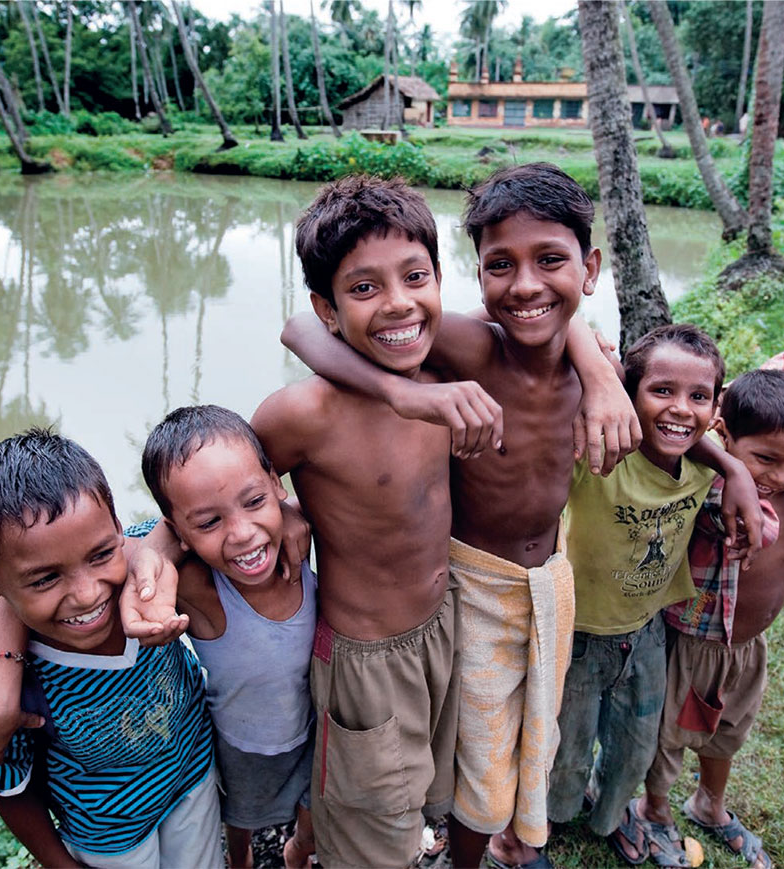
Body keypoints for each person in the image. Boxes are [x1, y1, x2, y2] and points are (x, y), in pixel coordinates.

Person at [280, 162, 641, 869]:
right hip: (467, 587)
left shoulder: (595, 362)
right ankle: (447, 847)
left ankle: (510, 835)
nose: (527, 285)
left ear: (590, 268)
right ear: (479, 277)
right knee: (465, 750)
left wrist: (601, 371)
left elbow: (570, 328)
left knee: (523, 730)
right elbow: (301, 327)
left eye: (550, 261)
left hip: (547, 582)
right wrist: (407, 395)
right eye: (501, 266)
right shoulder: (464, 346)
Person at [213, 173, 462, 868]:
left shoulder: (446, 375)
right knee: (369, 813)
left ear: (440, 278)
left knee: (404, 783)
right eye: (364, 288)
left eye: (415, 275)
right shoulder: (303, 413)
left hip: (440, 627)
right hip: (365, 657)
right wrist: (284, 507)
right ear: (327, 309)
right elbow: (229, 486)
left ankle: (306, 846)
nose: (398, 303)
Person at [0, 428, 222, 869]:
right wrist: (60, 864)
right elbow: (7, 785)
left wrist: (144, 558)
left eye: (100, 555)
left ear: (117, 530)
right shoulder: (5, 691)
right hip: (112, 834)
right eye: (45, 579)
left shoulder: (139, 578)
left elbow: (177, 527)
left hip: (192, 781)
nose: (86, 594)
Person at [546, 324, 763, 865]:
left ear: (716, 410)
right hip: (578, 635)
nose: (680, 409)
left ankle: (611, 816)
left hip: (647, 635)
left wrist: (733, 465)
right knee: (566, 748)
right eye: (661, 390)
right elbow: (571, 334)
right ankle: (553, 815)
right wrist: (599, 378)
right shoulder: (597, 452)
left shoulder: (699, 467)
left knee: (634, 748)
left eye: (698, 396)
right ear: (627, 393)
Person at [634, 358, 784, 869]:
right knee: (671, 736)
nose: (779, 476)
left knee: (728, 731)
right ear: (723, 431)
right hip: (696, 642)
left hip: (746, 647)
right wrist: (735, 468)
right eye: (765, 459)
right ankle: (653, 809)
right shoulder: (708, 483)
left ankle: (709, 804)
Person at [139, 405, 320, 869]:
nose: (241, 534)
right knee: (239, 814)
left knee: (314, 809)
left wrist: (290, 513)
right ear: (177, 532)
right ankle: (238, 856)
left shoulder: (310, 535)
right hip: (242, 742)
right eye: (208, 523)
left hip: (317, 728)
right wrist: (153, 562)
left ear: (277, 484)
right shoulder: (200, 587)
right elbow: (106, 559)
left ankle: (298, 849)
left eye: (255, 501)